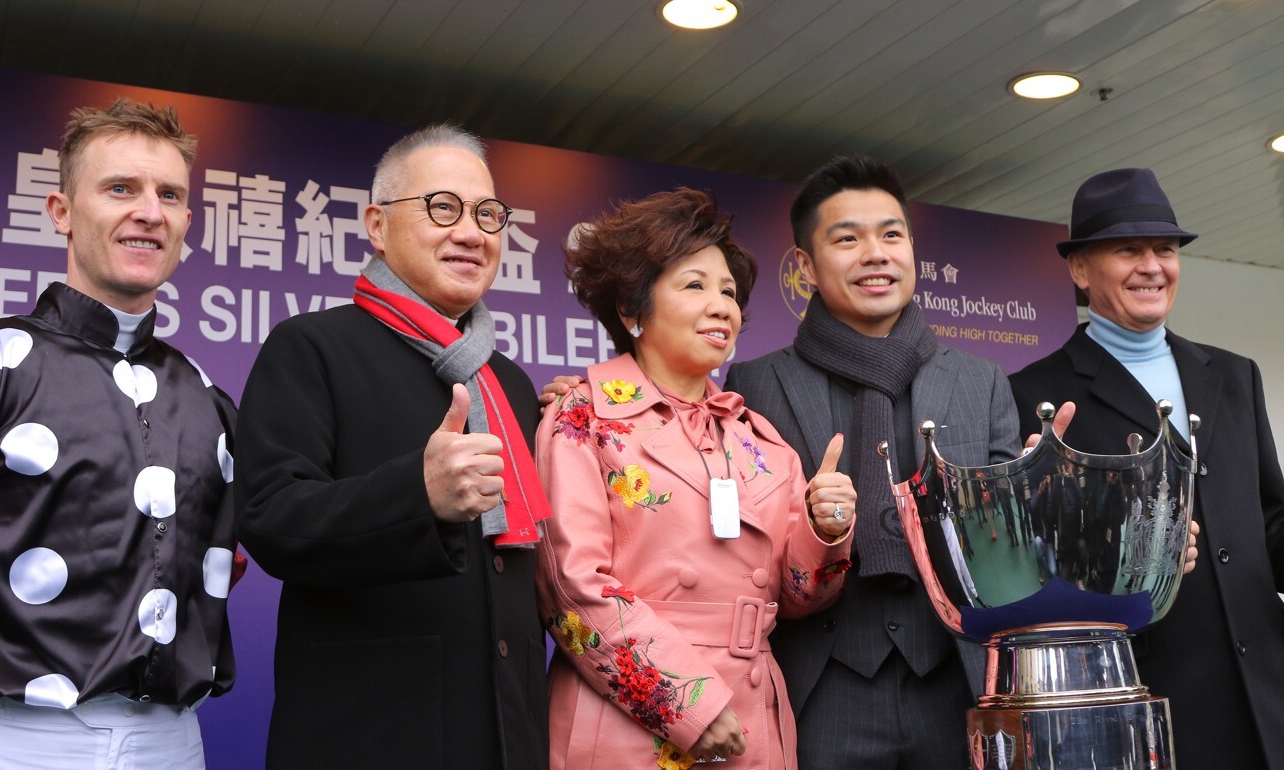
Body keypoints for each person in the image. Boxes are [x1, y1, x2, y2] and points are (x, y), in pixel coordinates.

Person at [235, 124, 550, 769]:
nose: (471, 232)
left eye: (488, 213)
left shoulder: (509, 380)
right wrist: (418, 495)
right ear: (377, 226)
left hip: (506, 732)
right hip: (370, 732)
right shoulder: (312, 347)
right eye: (443, 207)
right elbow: (270, 518)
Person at [536, 188, 855, 769]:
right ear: (632, 311)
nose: (722, 306)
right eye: (694, 286)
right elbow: (571, 589)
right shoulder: (582, 417)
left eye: (729, 292)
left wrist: (824, 528)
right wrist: (688, 707)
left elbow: (803, 596)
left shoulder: (760, 438)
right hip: (632, 725)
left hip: (753, 717)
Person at [0, 99, 239, 769]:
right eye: (121, 188)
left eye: (169, 195)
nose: (149, 211)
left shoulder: (208, 398)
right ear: (61, 211)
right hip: (5, 735)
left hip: (171, 739)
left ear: (185, 222)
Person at [723, 154, 1021, 770]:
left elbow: (1007, 549)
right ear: (805, 264)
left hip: (954, 682)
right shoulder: (756, 382)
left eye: (891, 234)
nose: (876, 253)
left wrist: (1040, 497)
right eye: (847, 238)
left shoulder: (980, 381)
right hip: (817, 683)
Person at [1010, 167, 1284, 769]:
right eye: (1128, 250)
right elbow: (1029, 564)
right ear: (1080, 270)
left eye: (1165, 249)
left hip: (1265, 695)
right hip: (1141, 702)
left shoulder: (1235, 376)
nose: (1153, 265)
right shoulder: (1034, 395)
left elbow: (1269, 524)